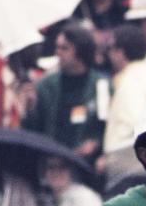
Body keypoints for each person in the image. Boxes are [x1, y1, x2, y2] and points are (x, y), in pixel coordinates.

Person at [21, 23, 109, 165]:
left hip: (87, 162)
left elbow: (107, 125)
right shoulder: (45, 85)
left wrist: (95, 143)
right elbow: (32, 131)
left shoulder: (101, 85)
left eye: (64, 48)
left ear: (80, 51)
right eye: (57, 47)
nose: (58, 53)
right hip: (53, 161)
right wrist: (29, 109)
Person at [101, 24, 146, 189]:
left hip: (132, 170)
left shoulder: (131, 81)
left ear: (120, 51)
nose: (109, 55)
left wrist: (109, 157)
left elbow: (133, 124)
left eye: (111, 48)